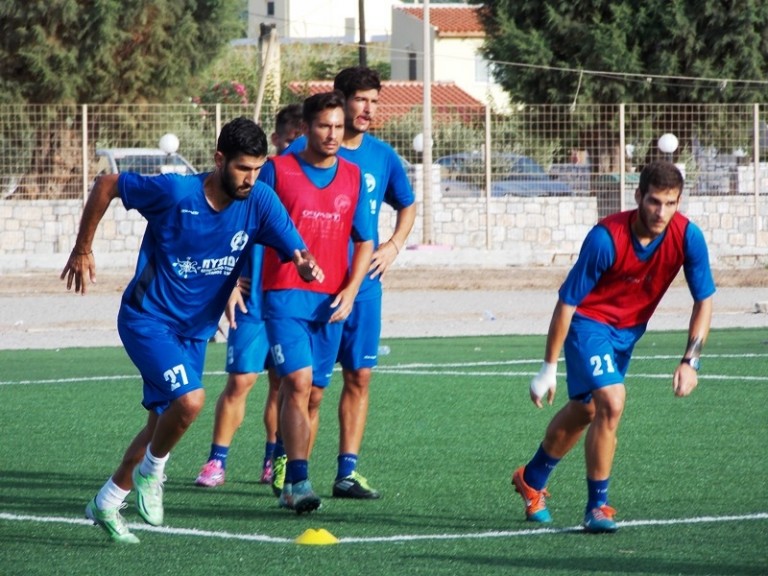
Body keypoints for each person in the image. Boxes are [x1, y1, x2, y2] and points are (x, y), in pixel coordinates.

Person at [62, 117, 322, 544]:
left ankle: (107, 501)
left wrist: (305, 263)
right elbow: (107, 184)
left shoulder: (259, 201)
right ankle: (152, 472)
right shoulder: (176, 191)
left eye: (258, 169)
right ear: (219, 160)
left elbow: (297, 249)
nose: (250, 179)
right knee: (191, 400)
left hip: (194, 332)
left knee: (160, 425)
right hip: (147, 319)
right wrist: (83, 248)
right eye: (242, 168)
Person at [511, 160, 715, 534]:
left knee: (586, 410)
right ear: (638, 196)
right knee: (613, 401)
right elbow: (568, 303)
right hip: (588, 324)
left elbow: (704, 300)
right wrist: (547, 367)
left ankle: (532, 478)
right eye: (654, 201)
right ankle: (597, 508)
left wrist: (692, 361)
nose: (661, 212)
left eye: (671, 203)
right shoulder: (605, 238)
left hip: (628, 333)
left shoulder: (688, 237)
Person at [283, 66, 416, 500]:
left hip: (365, 287)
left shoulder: (381, 156)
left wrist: (394, 245)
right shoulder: (309, 154)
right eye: (361, 100)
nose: (369, 109)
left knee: (359, 375)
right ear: (339, 101)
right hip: (316, 288)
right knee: (314, 388)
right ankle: (294, 467)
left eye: (375, 101)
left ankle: (347, 473)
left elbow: (407, 205)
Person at [258, 90, 374, 513]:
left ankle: (289, 472)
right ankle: (300, 481)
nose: (332, 134)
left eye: (339, 127)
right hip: (284, 294)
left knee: (316, 396)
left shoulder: (352, 176)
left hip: (332, 301)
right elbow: (251, 227)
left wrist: (351, 288)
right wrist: (238, 285)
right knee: (297, 383)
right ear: (305, 128)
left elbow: (365, 240)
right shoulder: (277, 170)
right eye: (324, 126)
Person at [194, 104, 304, 488]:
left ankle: (273, 459)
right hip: (253, 296)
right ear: (277, 140)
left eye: (299, 138)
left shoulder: (314, 173)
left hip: (290, 298)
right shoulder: (261, 176)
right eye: (289, 138)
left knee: (284, 383)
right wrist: (228, 282)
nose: (295, 144)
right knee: (241, 380)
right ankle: (216, 461)